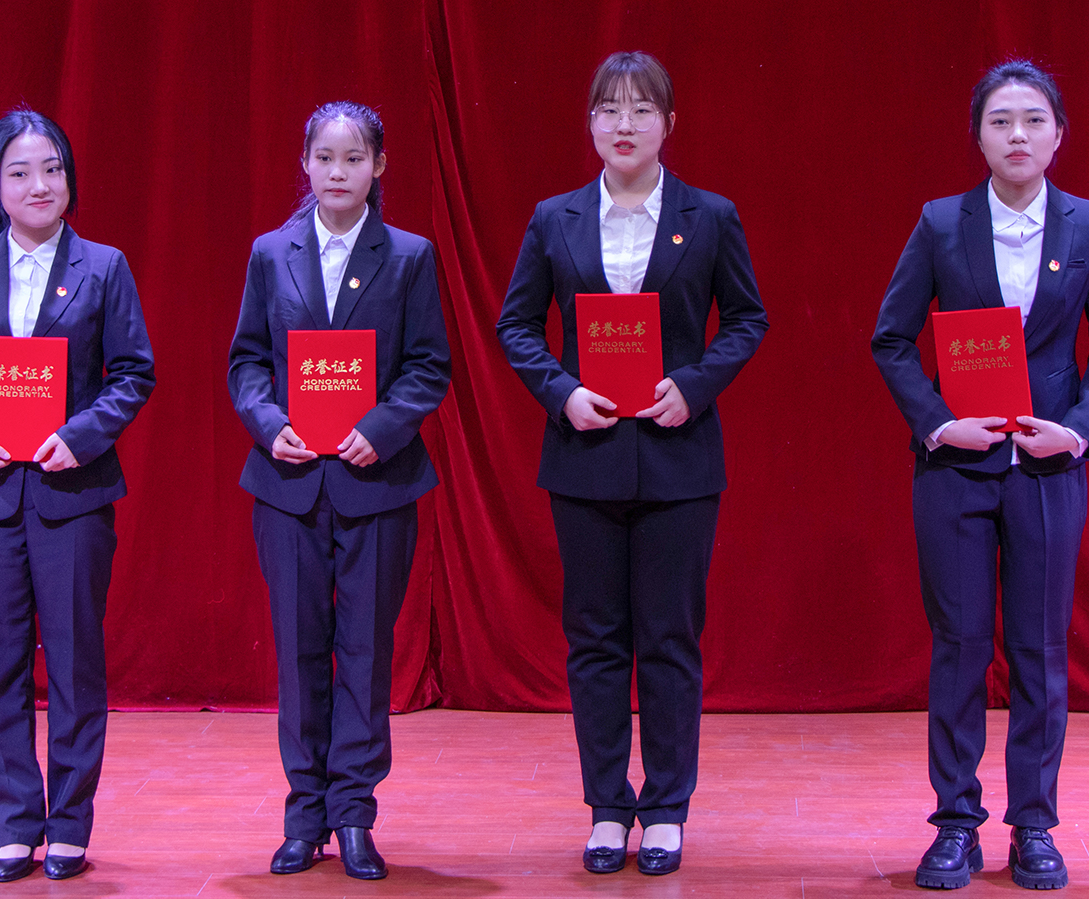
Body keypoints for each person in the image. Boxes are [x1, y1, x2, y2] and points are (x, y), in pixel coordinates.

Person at [496, 52, 767, 876]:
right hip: (585, 457)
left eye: (641, 109)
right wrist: (562, 391)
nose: (624, 124)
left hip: (680, 459)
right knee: (595, 639)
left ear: (668, 123)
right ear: (589, 123)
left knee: (671, 638)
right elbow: (517, 325)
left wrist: (694, 384)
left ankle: (668, 807)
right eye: (609, 109)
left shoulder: (709, 215)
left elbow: (747, 320)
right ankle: (609, 806)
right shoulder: (555, 218)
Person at [871, 60, 1089, 890]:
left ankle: (1034, 825)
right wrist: (936, 421)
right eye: (1000, 121)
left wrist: (1079, 430)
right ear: (979, 136)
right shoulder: (941, 223)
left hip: (1048, 470)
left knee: (1040, 649)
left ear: (1058, 135)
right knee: (958, 646)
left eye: (1032, 120)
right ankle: (955, 822)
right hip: (957, 465)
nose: (1017, 135)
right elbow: (891, 337)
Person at [0, 109, 155, 883]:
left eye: (51, 168)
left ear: (69, 177)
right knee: (0, 667)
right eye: (20, 172)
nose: (39, 184)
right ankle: (17, 823)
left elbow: (133, 373)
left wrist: (80, 435)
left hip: (72, 493)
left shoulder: (104, 266)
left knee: (77, 664)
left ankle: (70, 826)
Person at [228, 101, 451, 881]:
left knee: (364, 650)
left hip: (376, 481)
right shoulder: (271, 253)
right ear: (305, 163)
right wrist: (270, 423)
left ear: (378, 167)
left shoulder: (410, 256)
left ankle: (354, 813)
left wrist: (381, 428)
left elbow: (428, 365)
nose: (337, 172)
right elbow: (246, 361)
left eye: (354, 158)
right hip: (290, 483)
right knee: (299, 650)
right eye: (324, 157)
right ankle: (304, 814)